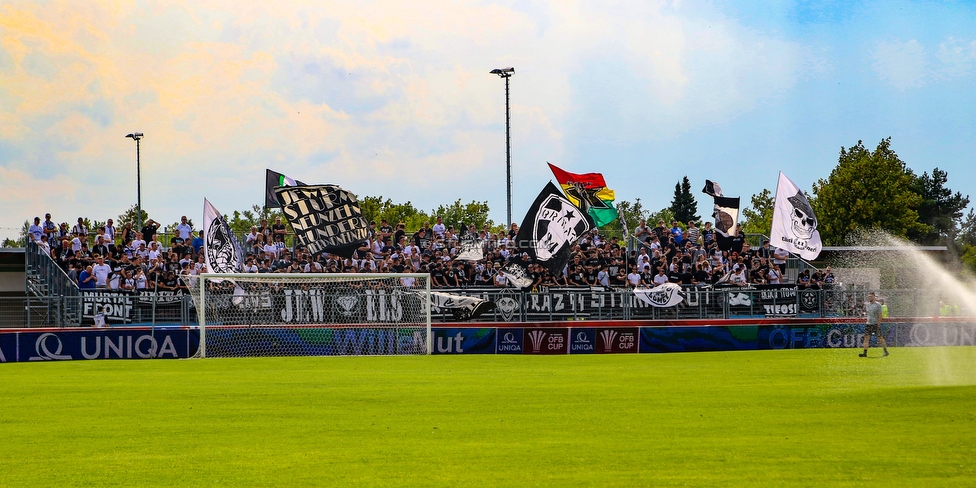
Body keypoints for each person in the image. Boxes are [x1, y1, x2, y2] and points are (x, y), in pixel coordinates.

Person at [860, 292, 889, 357]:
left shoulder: (878, 305)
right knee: (866, 338)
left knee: (880, 337)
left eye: (871, 296)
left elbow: (880, 315)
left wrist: (879, 322)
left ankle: (885, 350)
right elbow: (868, 314)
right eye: (869, 296)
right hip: (869, 324)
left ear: (874, 297)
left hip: (875, 323)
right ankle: (865, 353)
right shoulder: (867, 305)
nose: (869, 297)